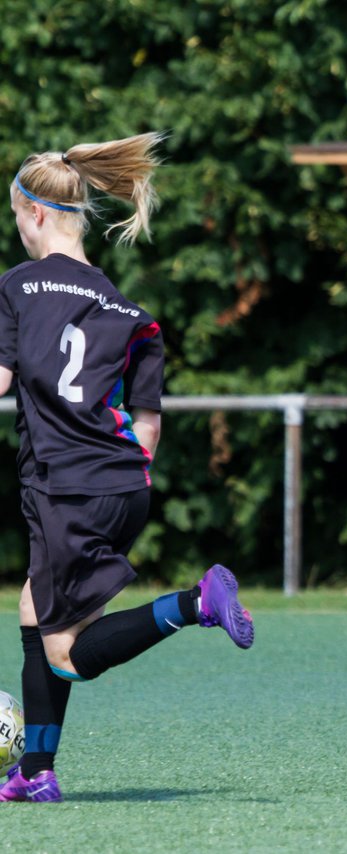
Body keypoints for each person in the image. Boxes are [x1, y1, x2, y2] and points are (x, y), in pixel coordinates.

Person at [0, 133, 254, 803]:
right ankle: (34, 772)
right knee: (35, 607)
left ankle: (194, 604)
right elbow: (150, 424)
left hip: (66, 488)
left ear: (34, 215)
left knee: (68, 654)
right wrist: (121, 477)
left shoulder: (18, 287)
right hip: (124, 485)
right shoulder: (130, 312)